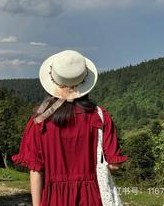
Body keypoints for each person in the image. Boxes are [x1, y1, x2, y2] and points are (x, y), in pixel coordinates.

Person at [11, 50, 128, 206]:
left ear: (53, 81)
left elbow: (36, 171)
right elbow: (114, 165)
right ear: (84, 82)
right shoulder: (100, 117)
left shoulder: (39, 121)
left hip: (54, 199)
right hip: (92, 198)